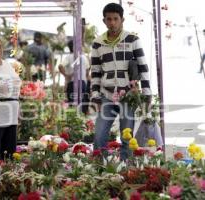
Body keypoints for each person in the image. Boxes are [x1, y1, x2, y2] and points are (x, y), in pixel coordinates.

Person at [90, 3, 152, 160]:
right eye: (109, 19)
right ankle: (99, 170)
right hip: (106, 96)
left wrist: (147, 93)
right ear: (104, 21)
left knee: (127, 137)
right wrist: (95, 95)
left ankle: (127, 170)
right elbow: (96, 71)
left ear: (122, 19)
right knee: (99, 136)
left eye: (115, 19)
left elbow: (143, 67)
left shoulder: (132, 40)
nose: (112, 23)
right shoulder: (98, 43)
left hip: (128, 96)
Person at [58, 40, 90, 113]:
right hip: (83, 83)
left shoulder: (68, 57)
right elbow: (87, 72)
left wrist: (66, 75)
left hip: (72, 83)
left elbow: (60, 66)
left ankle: (74, 118)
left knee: (72, 103)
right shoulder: (84, 57)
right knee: (82, 103)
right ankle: (82, 118)